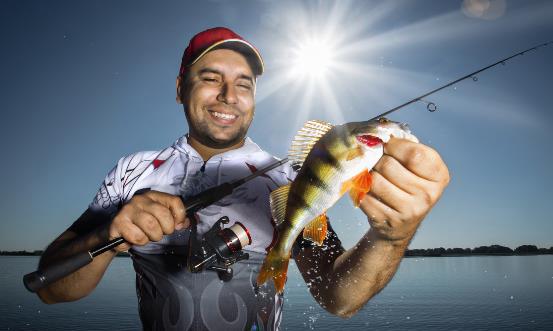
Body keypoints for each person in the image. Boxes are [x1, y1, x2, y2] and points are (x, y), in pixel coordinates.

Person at [35, 27, 450, 330]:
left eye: (243, 85)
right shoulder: (131, 172)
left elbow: (339, 297)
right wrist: (109, 233)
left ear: (253, 98)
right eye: (211, 78)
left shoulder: (288, 179)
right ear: (181, 88)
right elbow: (51, 289)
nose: (228, 95)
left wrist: (391, 237)